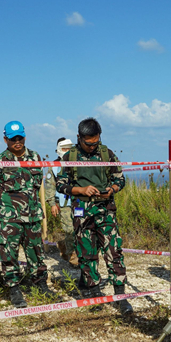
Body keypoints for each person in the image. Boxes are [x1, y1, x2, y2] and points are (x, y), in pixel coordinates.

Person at [55, 118, 133, 314]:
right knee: (87, 255)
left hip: (105, 210)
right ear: (78, 138)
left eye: (95, 142)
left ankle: (121, 297)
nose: (92, 147)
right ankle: (94, 294)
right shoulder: (70, 157)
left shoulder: (107, 154)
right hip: (82, 212)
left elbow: (119, 179)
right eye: (88, 143)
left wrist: (112, 189)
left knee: (114, 253)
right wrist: (80, 189)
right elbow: (61, 184)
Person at [0, 121, 51, 308]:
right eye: (13, 139)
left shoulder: (35, 157)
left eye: (20, 137)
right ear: (5, 139)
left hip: (32, 217)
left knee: (36, 253)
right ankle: (14, 289)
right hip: (9, 220)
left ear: (25, 136)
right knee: (9, 255)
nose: (17, 142)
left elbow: (37, 185)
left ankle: (40, 284)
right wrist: (2, 211)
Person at [44, 137, 79, 267]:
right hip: (63, 203)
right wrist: (52, 204)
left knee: (80, 228)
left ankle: (64, 245)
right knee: (69, 229)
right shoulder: (54, 166)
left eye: (69, 149)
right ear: (58, 150)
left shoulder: (78, 163)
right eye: (64, 149)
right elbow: (50, 186)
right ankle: (72, 256)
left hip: (79, 201)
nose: (67, 151)